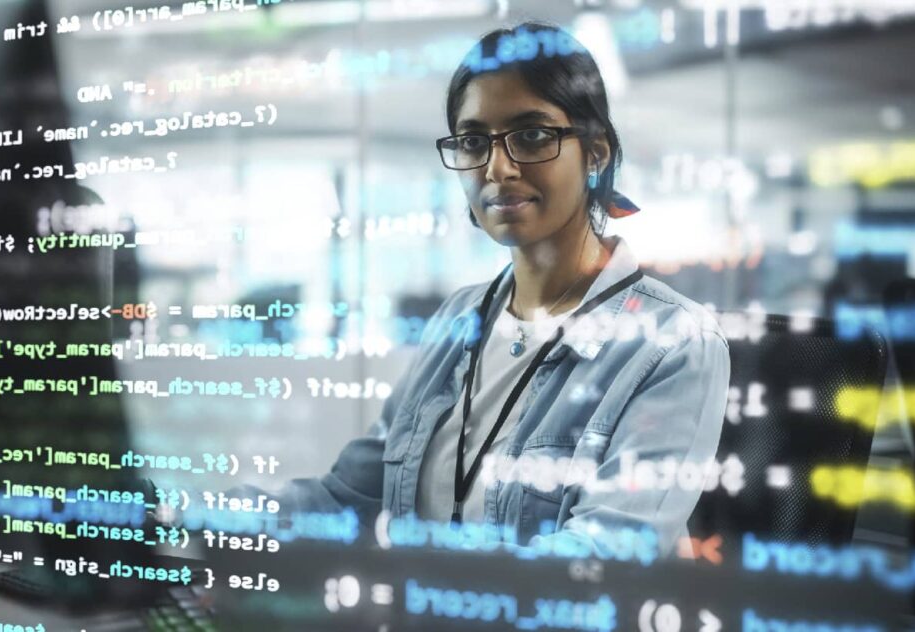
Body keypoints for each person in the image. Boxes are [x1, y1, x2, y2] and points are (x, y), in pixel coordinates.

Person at [207, 21, 730, 559]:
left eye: (531, 135)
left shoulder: (673, 342)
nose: (497, 168)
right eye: (474, 141)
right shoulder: (463, 317)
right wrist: (188, 520)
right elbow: (351, 498)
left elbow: (600, 560)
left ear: (595, 155)